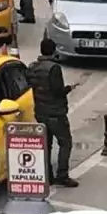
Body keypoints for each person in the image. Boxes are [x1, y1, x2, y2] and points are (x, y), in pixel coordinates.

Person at [27, 38, 78, 187]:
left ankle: (47, 174)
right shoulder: (54, 68)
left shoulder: (33, 67)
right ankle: (62, 175)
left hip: (41, 112)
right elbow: (57, 91)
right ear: (54, 50)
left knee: (46, 144)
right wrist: (69, 88)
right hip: (55, 113)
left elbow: (30, 84)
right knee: (65, 143)